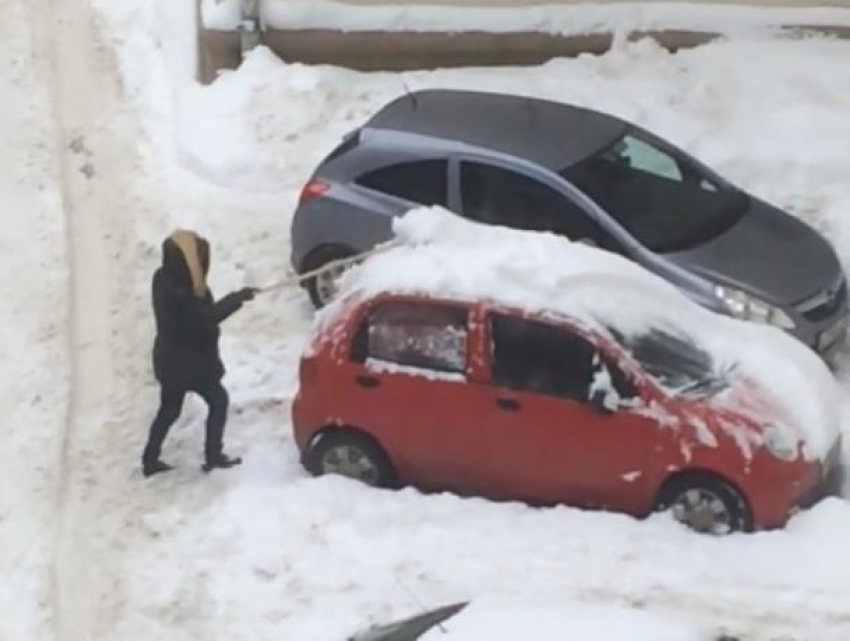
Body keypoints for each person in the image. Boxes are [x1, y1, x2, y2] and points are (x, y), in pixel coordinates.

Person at [142, 229, 256, 477]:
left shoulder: (163, 279)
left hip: (169, 360)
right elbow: (206, 317)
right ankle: (213, 456)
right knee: (218, 400)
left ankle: (150, 459)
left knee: (169, 409)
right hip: (190, 364)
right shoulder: (182, 293)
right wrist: (237, 299)